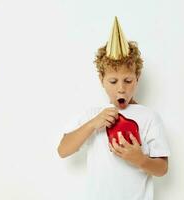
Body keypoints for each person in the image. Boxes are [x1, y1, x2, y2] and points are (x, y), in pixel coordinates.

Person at [57, 16, 171, 200]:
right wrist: (93, 124)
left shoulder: (149, 117)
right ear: (101, 80)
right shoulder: (93, 115)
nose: (121, 88)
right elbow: (63, 150)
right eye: (113, 81)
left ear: (137, 78)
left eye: (128, 80)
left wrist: (139, 159)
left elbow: (163, 169)